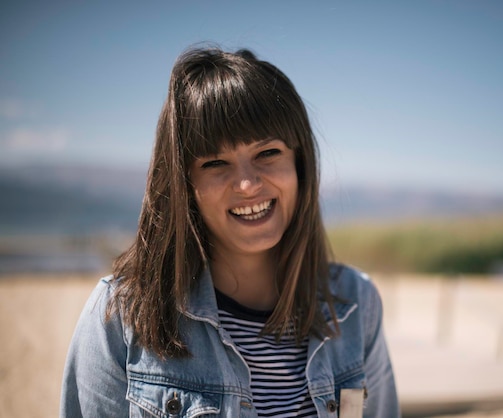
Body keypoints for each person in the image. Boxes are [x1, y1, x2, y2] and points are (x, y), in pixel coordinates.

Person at [61, 45, 400, 418]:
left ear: (300, 164)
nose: (247, 184)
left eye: (267, 153)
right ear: (184, 184)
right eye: (215, 162)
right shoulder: (121, 317)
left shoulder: (355, 305)